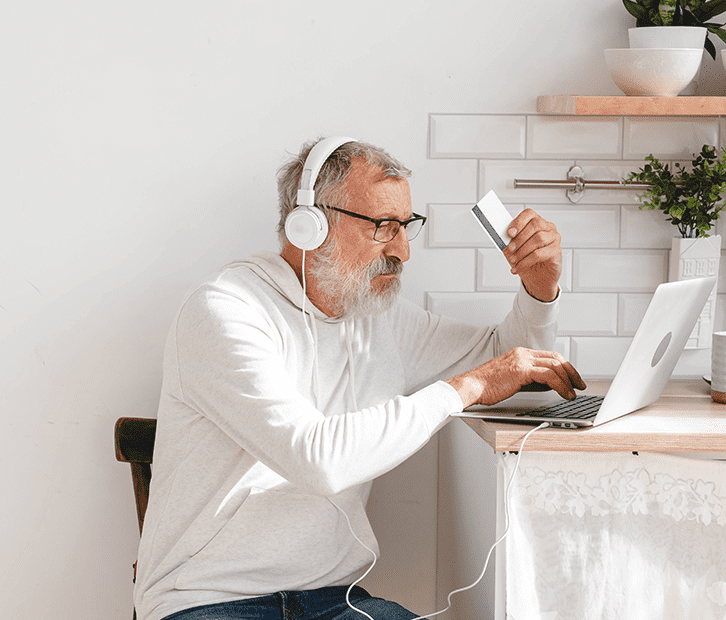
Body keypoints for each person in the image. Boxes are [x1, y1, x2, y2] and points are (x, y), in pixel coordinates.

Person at [133, 138, 585, 620]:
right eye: (384, 227)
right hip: (208, 602)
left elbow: (508, 364)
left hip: (332, 599)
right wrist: (466, 388)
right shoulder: (224, 312)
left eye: (406, 226)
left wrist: (539, 288)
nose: (404, 251)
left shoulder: (378, 318)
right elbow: (318, 460)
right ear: (309, 224)